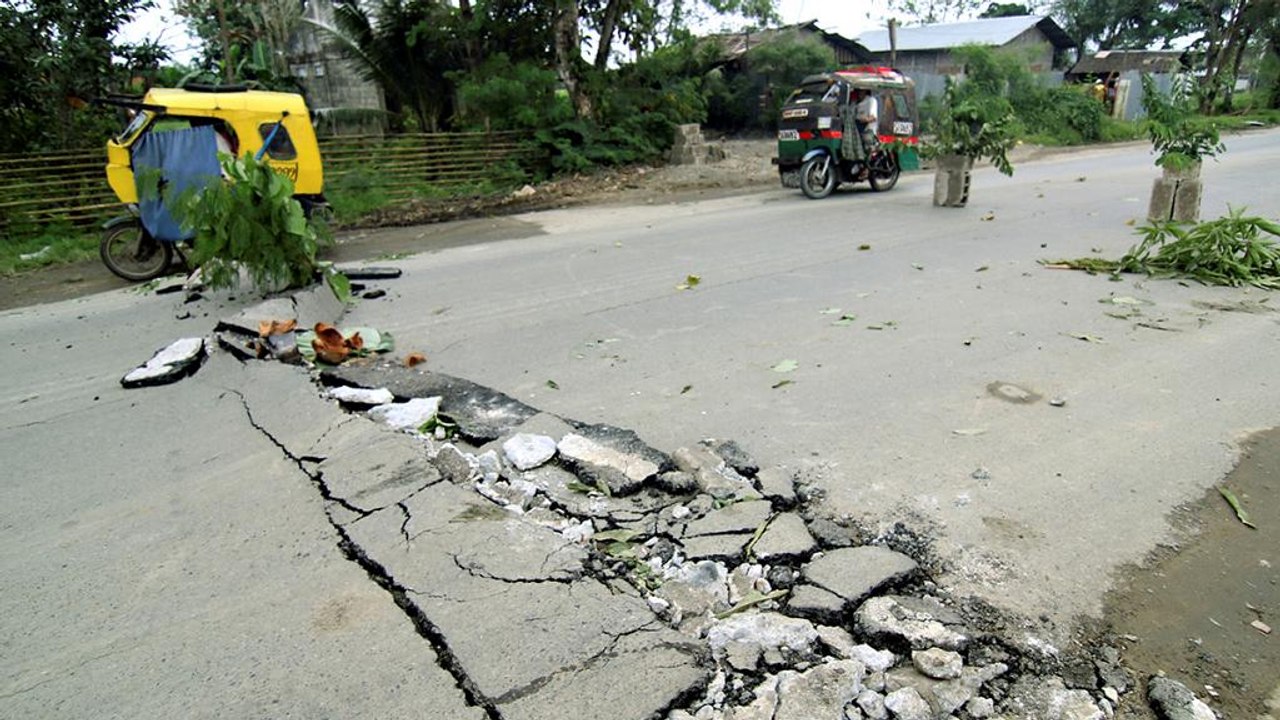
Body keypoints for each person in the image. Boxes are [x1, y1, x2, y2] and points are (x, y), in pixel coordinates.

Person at [853, 88, 880, 161]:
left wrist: (864, 120)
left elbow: (873, 117)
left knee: (867, 147)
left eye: (861, 91)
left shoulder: (871, 101)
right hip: (857, 130)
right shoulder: (855, 103)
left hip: (868, 130)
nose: (859, 93)